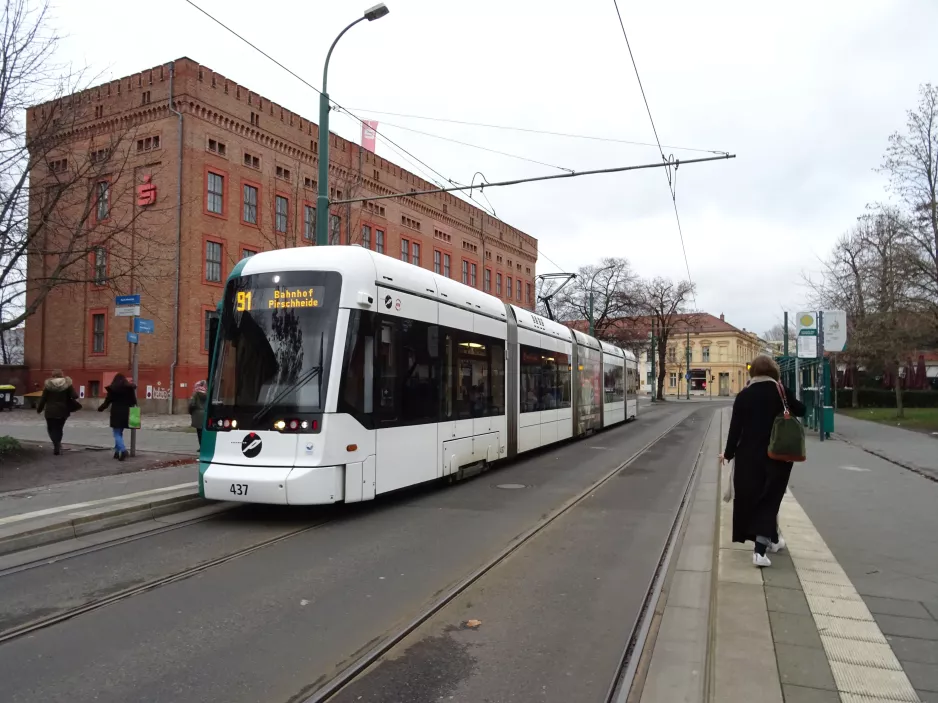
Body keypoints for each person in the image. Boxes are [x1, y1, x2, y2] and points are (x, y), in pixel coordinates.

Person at [719, 355, 805, 567]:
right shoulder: (781, 393)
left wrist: (728, 454)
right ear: (774, 373)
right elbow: (802, 410)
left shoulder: (744, 395)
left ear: (753, 372)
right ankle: (759, 551)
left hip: (748, 457)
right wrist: (786, 397)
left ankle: (773, 540)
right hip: (777, 456)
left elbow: (735, 430)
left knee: (752, 499)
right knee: (769, 500)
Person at [36, 370, 78, 455]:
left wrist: (39, 409)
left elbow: (43, 398)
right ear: (62, 375)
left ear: (53, 375)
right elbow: (75, 396)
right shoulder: (67, 384)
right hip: (63, 410)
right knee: (59, 428)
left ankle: (56, 444)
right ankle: (57, 444)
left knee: (51, 428)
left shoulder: (48, 385)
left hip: (50, 411)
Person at [98, 373, 138, 461]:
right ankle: (117, 452)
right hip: (127, 412)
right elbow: (133, 401)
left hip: (116, 412)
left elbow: (107, 402)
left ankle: (122, 450)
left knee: (117, 433)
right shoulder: (129, 388)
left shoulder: (113, 389)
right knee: (119, 433)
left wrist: (100, 408)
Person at [188, 380, 207, 449]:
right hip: (205, 414)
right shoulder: (206, 393)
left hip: (197, 415)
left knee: (199, 432)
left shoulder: (195, 394)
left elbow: (192, 404)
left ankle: (201, 446)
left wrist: (190, 411)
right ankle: (205, 446)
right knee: (204, 432)